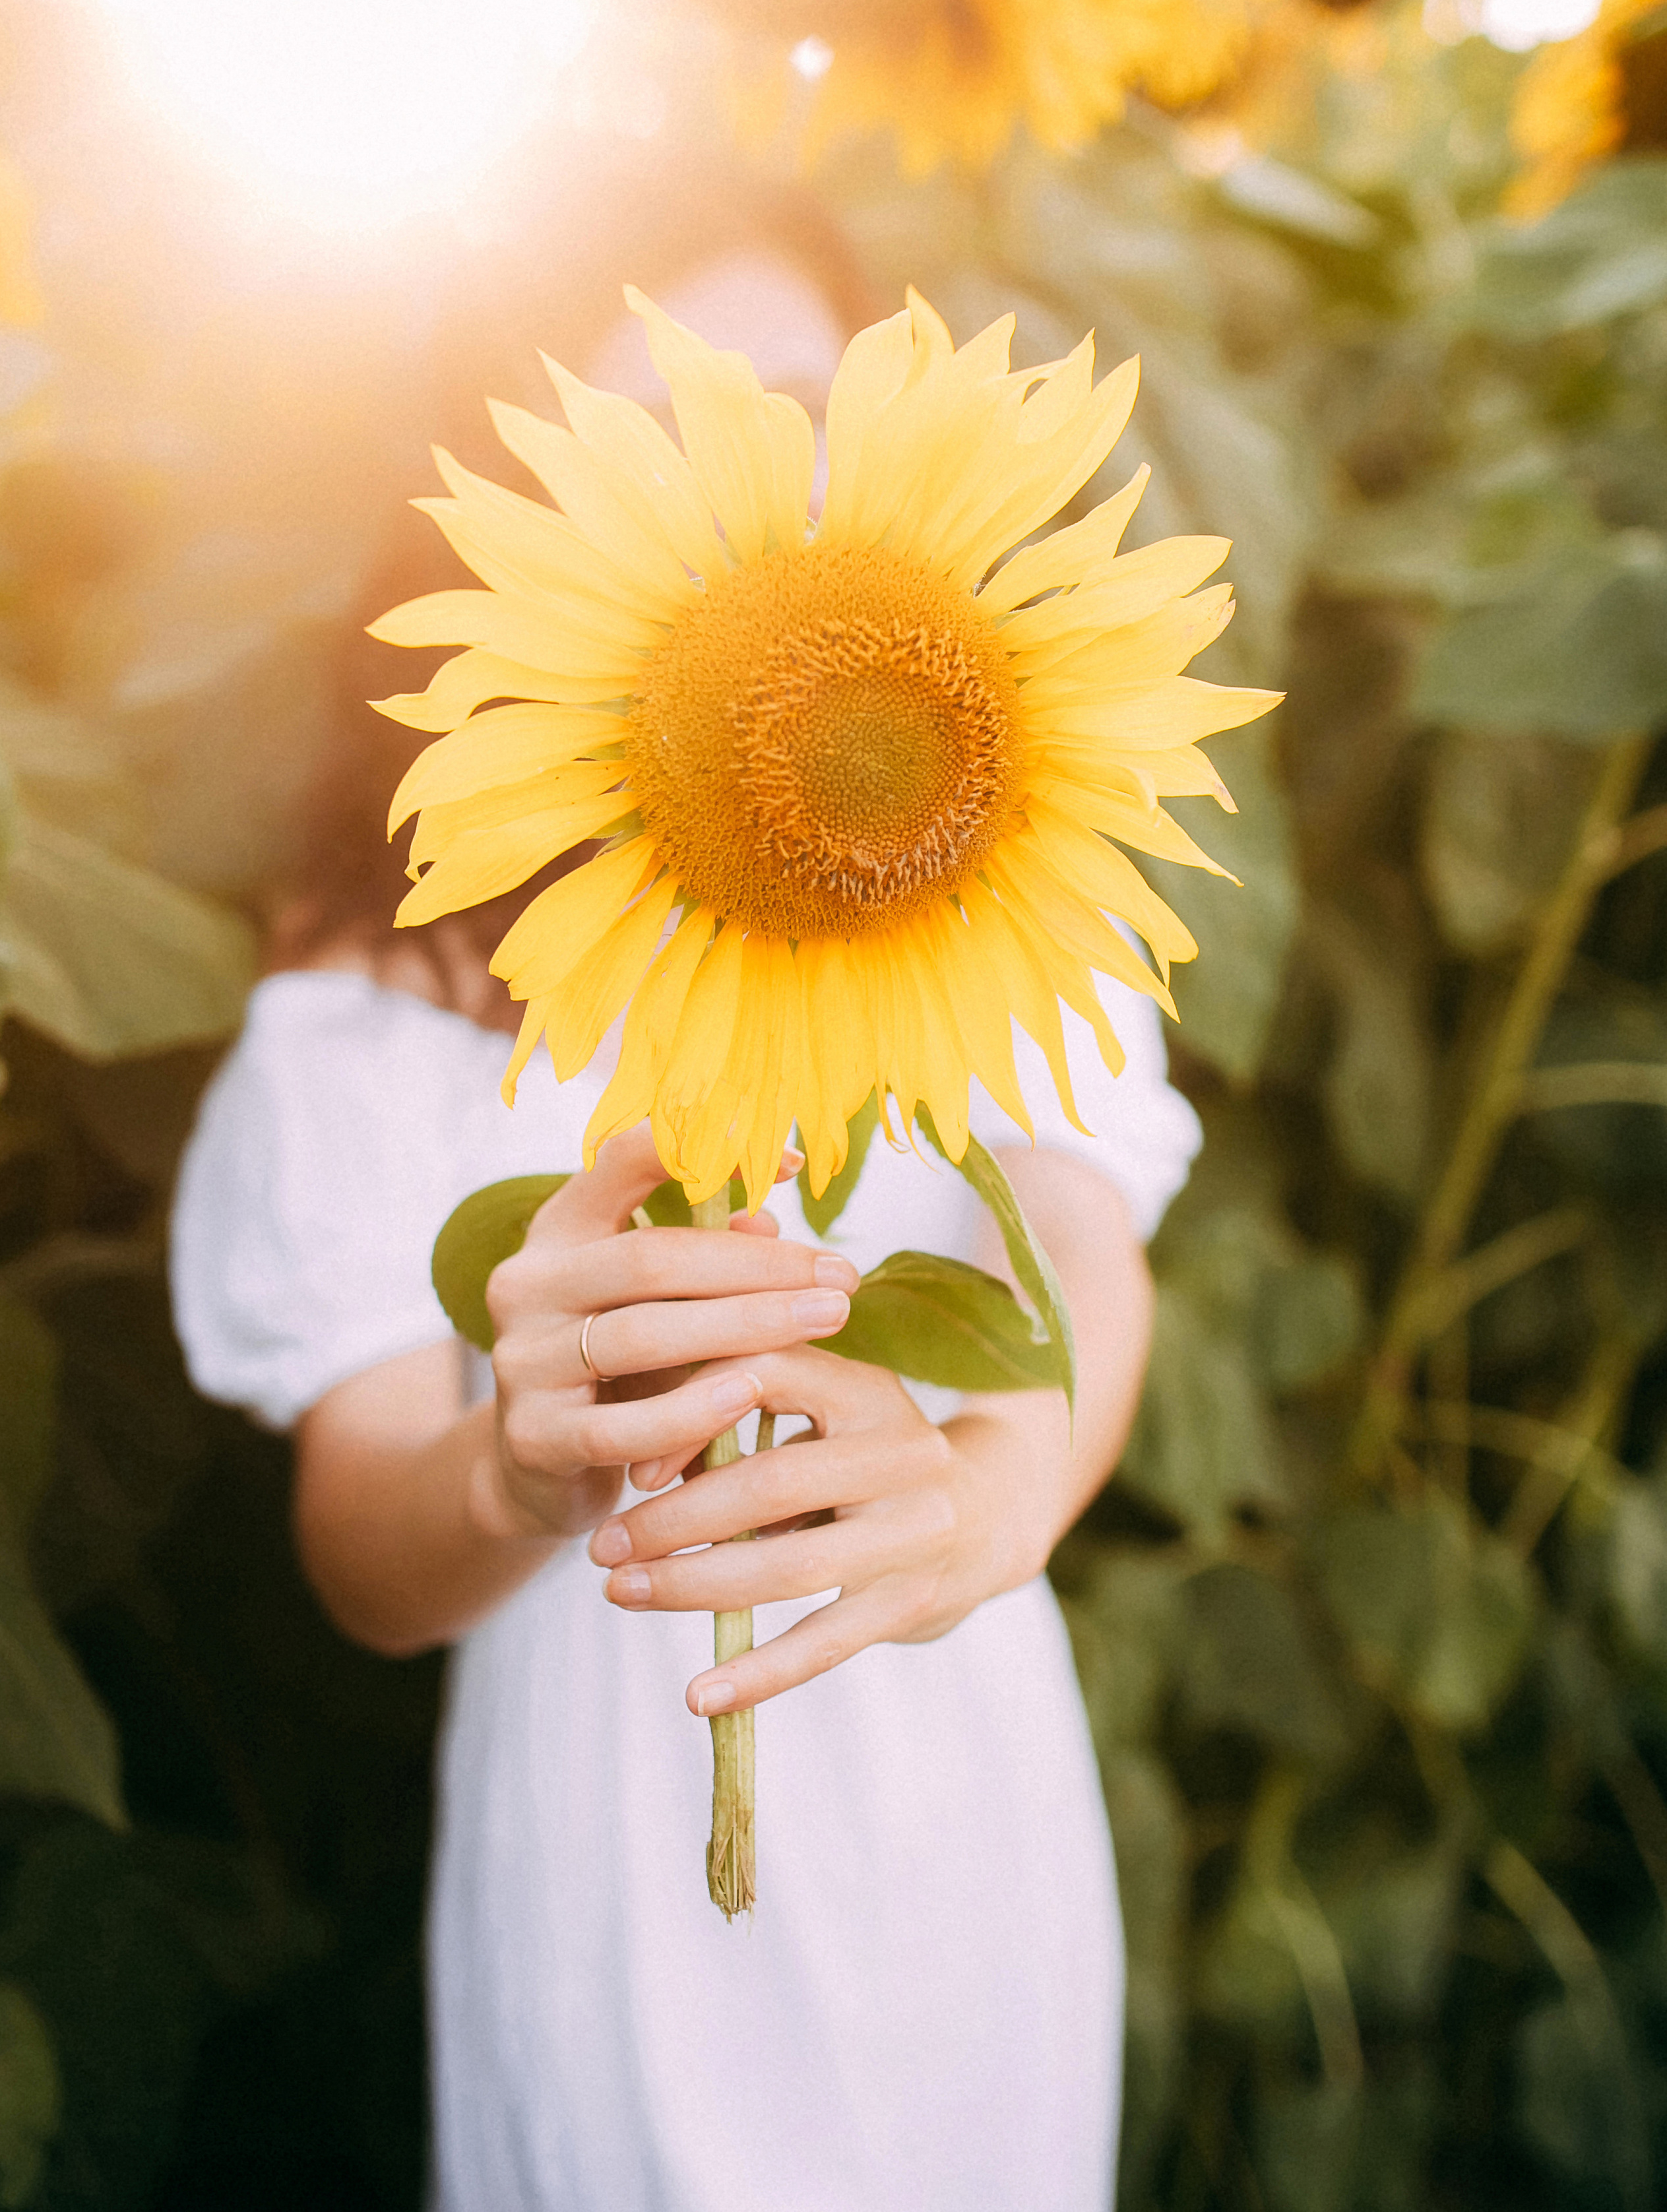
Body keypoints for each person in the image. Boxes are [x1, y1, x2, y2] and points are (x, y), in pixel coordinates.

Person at [168, 165, 1202, 2212]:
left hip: (954, 1769)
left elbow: (1079, 1240)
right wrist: (514, 1470)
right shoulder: (384, 1005)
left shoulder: (988, 858)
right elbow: (361, 1547)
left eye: (811, 412)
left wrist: (1010, 1483)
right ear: (520, 516)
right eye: (662, 441)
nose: (768, 495)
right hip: (608, 1832)